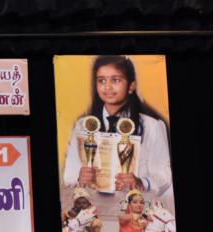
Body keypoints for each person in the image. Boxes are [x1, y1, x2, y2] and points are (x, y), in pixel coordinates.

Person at [63, 55, 172, 198]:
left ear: (131, 86)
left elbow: (164, 176)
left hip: (134, 206)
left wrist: (141, 182)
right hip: (94, 207)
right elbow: (69, 176)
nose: (107, 87)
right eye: (101, 80)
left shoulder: (151, 126)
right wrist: (79, 178)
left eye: (115, 80)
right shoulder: (83, 126)